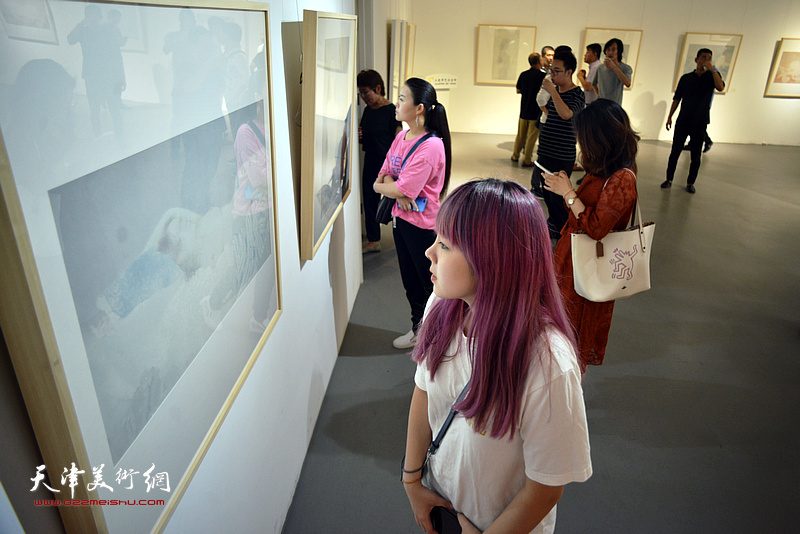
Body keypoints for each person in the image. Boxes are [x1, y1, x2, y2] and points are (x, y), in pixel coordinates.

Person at [402, 179, 592, 534]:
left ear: (491, 260)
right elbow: (424, 390)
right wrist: (412, 483)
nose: (430, 253)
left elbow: (546, 487)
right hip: (444, 505)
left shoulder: (548, 363)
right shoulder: (442, 307)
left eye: (444, 244)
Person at [542, 99, 640, 373]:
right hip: (572, 259)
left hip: (588, 268)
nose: (581, 146)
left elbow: (597, 228)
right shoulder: (603, 169)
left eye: (585, 139)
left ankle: (567, 391)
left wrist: (569, 193)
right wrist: (567, 191)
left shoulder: (622, 178)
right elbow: (582, 212)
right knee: (557, 326)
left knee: (572, 333)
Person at [374, 78, 451, 349]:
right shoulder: (400, 136)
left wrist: (392, 187)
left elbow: (404, 185)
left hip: (422, 226)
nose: (397, 103)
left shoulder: (431, 146)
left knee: (430, 285)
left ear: (419, 108)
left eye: (403, 98)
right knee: (411, 283)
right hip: (400, 220)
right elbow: (383, 174)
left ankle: (439, 335)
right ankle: (419, 328)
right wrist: (390, 187)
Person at [533, 50, 585, 239]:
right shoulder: (554, 93)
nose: (552, 75)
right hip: (546, 151)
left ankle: (566, 231)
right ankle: (555, 224)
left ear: (569, 72)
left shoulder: (577, 94)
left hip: (562, 154)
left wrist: (553, 91)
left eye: (556, 71)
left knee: (557, 197)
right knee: (546, 193)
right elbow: (548, 111)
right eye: (551, 71)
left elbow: (567, 114)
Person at [661, 48, 724, 193]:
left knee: (696, 155)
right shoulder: (686, 78)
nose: (705, 61)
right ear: (696, 60)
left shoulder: (712, 77)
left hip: (700, 122)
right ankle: (669, 179)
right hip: (683, 120)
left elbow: (720, 87)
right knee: (675, 151)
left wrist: (713, 70)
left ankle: (690, 183)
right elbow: (677, 98)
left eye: (709, 58)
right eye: (703, 57)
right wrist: (670, 116)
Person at [357, 69, 402, 254]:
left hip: (389, 164)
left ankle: (402, 237)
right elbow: (366, 135)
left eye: (366, 92)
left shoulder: (392, 111)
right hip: (371, 161)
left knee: (396, 201)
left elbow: (399, 139)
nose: (363, 97)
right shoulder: (368, 111)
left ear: (378, 88)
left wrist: (397, 166)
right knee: (370, 199)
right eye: (360, 93)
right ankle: (374, 240)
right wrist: (360, 135)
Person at [511, 53, 545, 167]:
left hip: (524, 110)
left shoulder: (523, 74)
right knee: (531, 138)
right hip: (535, 112)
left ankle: (515, 156)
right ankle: (527, 160)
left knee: (520, 135)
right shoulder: (542, 76)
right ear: (539, 62)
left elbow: (518, 90)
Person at [594, 38, 632, 105]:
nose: (610, 52)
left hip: (615, 105)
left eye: (613, 50)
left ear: (619, 51)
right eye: (608, 50)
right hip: (600, 104)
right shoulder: (600, 68)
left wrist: (614, 67)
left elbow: (627, 83)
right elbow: (593, 83)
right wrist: (598, 96)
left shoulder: (626, 68)